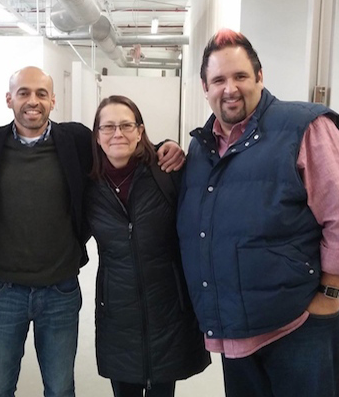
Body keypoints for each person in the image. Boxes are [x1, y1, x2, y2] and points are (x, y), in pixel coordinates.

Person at [176, 29, 339, 397]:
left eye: (240, 76)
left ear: (260, 77)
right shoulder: (202, 147)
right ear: (205, 88)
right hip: (235, 329)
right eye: (219, 80)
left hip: (299, 326)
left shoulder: (305, 127)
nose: (230, 89)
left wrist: (329, 296)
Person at [0, 66, 184, 397]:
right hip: (2, 292)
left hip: (60, 291)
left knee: (60, 387)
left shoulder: (76, 140)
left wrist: (169, 145)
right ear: (9, 99)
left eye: (41, 93)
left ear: (53, 99)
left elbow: (123, 150)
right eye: (23, 92)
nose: (32, 101)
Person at [84, 95, 210, 397]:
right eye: (109, 127)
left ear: (140, 131)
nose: (118, 134)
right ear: (97, 135)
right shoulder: (87, 185)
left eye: (127, 125)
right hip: (117, 309)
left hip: (167, 304)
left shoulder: (167, 172)